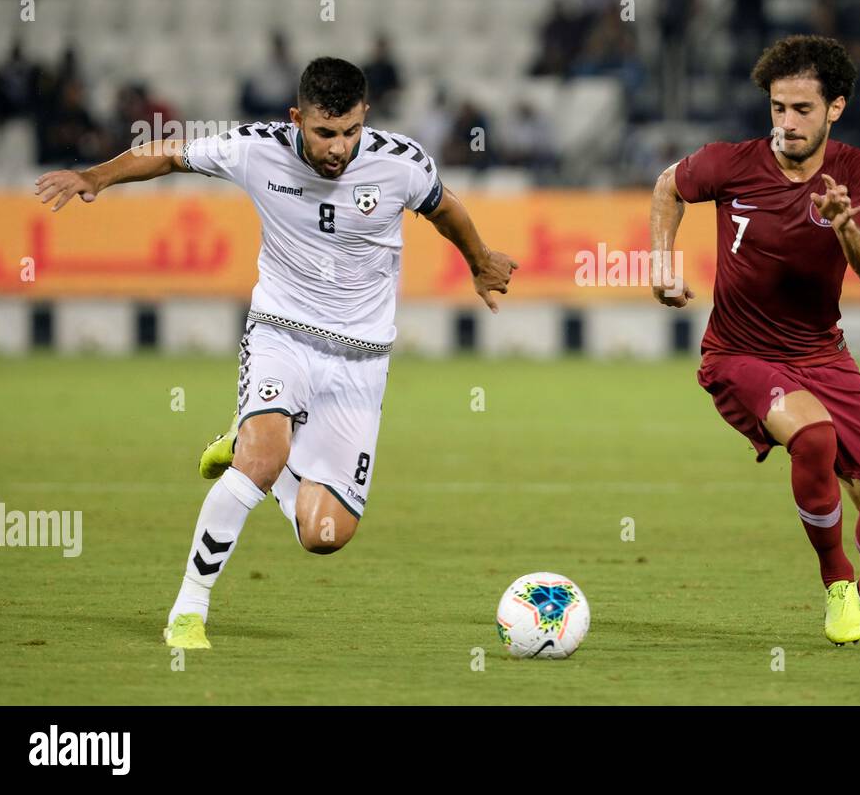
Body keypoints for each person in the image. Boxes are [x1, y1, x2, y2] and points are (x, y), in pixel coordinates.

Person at [35, 58, 518, 649]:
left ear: (364, 116)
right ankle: (189, 609)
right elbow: (167, 154)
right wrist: (97, 177)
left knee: (323, 535)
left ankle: (251, 445)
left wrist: (479, 261)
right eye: (323, 132)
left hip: (361, 363)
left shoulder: (402, 162)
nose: (338, 147)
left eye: (348, 132)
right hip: (281, 333)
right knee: (261, 461)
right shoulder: (255, 148)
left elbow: (445, 210)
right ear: (297, 119)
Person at [649, 35, 860, 646]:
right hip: (738, 355)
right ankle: (837, 586)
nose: (787, 122)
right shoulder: (731, 162)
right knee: (814, 436)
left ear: (836, 108)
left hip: (822, 353)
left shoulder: (859, 172)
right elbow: (669, 184)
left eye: (802, 109)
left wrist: (844, 224)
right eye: (778, 108)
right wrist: (662, 264)